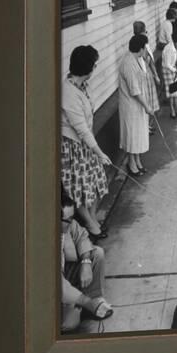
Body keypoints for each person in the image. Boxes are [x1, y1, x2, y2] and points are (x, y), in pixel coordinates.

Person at [61, 45, 111, 241]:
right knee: (80, 188)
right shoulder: (68, 93)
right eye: (94, 64)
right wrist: (100, 152)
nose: (96, 67)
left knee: (97, 182)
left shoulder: (82, 86)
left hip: (86, 143)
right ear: (87, 68)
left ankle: (92, 219)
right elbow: (80, 129)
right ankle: (91, 224)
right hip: (74, 147)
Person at [61, 189, 113, 333]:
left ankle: (93, 299)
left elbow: (82, 235)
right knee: (69, 324)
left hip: (66, 272)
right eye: (68, 219)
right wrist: (86, 302)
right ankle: (83, 305)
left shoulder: (67, 224)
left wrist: (85, 262)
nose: (72, 222)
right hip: (54, 289)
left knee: (97, 253)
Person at [118, 34, 154, 176]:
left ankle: (138, 161)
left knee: (139, 134)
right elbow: (134, 91)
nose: (146, 49)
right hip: (131, 106)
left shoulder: (138, 59)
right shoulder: (128, 63)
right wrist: (147, 107)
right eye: (145, 47)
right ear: (140, 48)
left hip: (138, 104)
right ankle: (131, 164)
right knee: (132, 135)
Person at [133, 21, 160, 135]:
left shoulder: (146, 45)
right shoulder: (136, 46)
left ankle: (149, 125)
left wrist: (156, 75)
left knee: (150, 101)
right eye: (145, 32)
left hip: (148, 75)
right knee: (146, 101)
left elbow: (151, 62)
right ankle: (146, 126)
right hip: (141, 77)